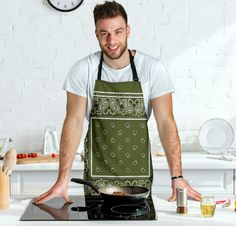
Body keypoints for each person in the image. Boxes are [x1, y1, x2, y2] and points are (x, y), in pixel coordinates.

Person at [34, 1, 201, 204]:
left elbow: (166, 122)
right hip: (97, 182)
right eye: (104, 33)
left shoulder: (152, 69)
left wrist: (177, 176)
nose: (112, 40)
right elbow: (74, 122)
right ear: (96, 34)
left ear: (128, 31)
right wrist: (62, 179)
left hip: (139, 183)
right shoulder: (83, 70)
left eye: (118, 32)